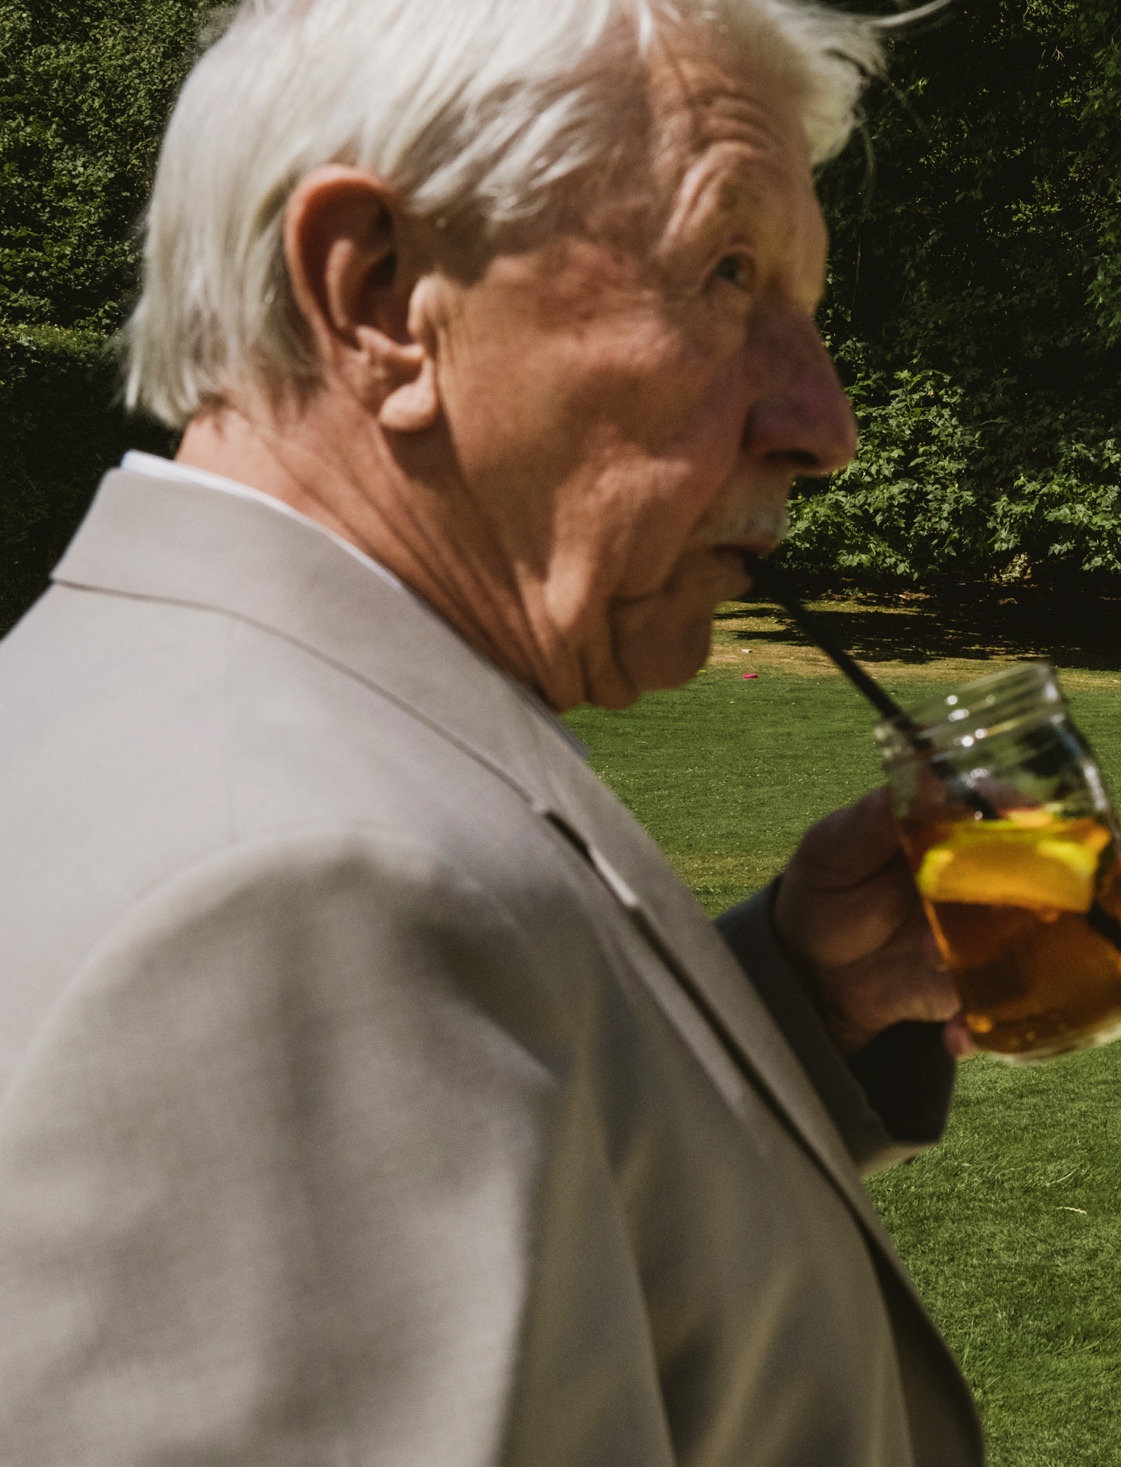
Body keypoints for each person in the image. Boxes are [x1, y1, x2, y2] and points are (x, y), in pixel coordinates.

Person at [0, 1, 987, 1462]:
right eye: (725, 272)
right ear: (382, 297)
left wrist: (792, 1010)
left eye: (804, 308)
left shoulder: (224, 716)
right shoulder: (291, 903)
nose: (824, 419)